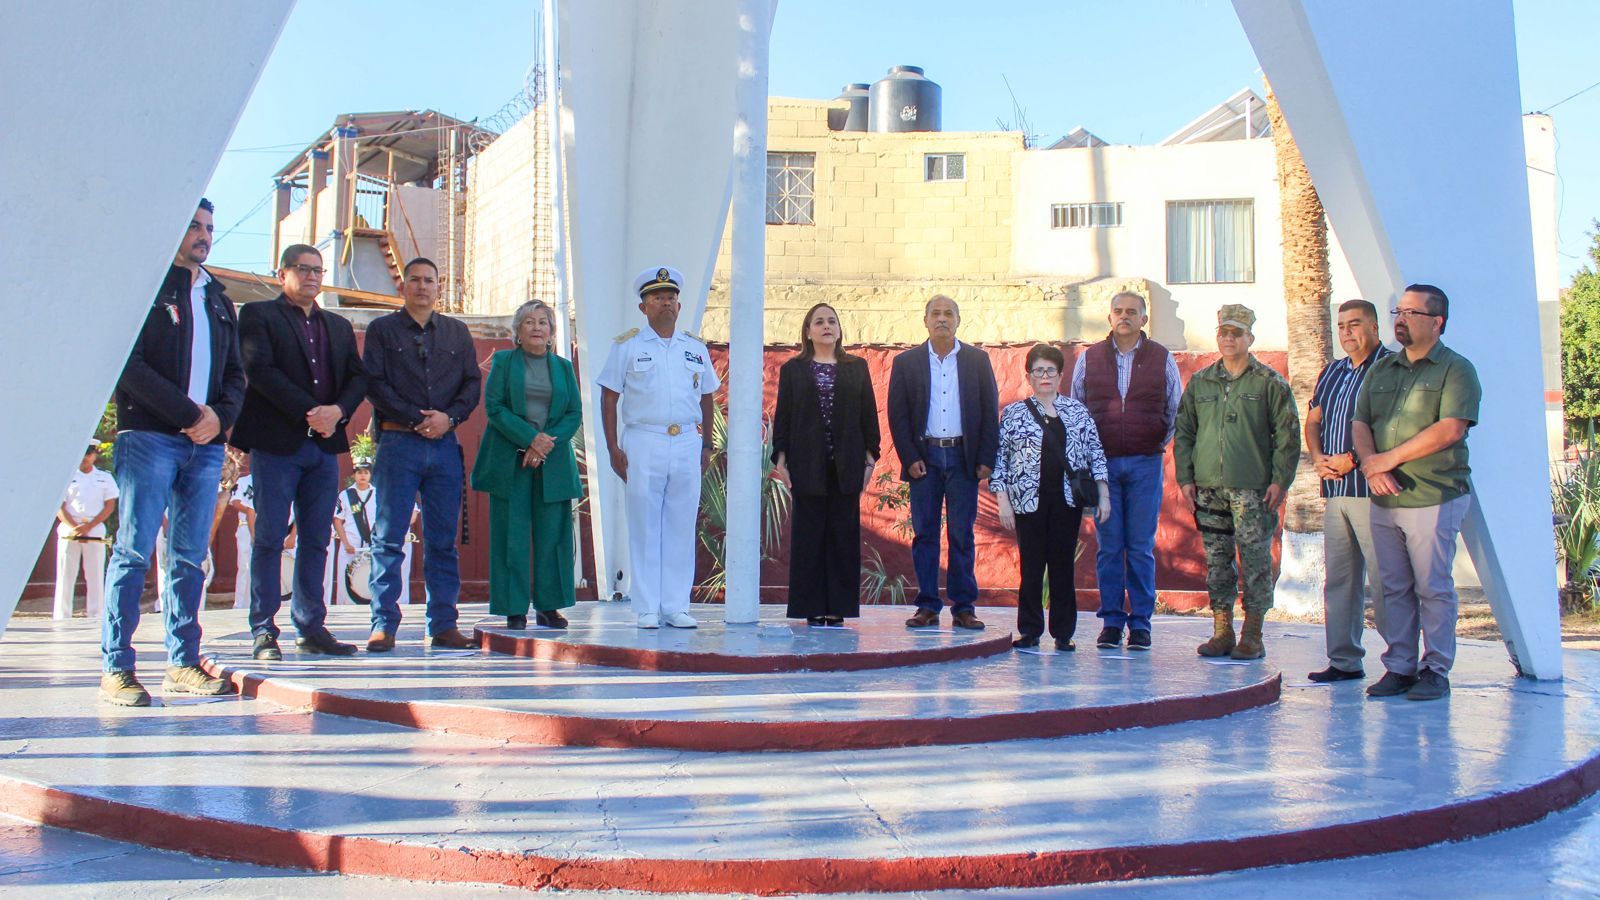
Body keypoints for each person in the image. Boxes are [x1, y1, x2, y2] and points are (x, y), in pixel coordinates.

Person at [100, 198, 245, 706]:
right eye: (193, 226)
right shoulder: (147, 287)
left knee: (189, 556)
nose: (203, 235)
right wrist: (190, 415)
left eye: (209, 226)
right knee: (134, 551)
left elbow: (235, 377)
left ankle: (182, 663)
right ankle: (117, 667)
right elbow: (129, 366)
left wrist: (219, 420)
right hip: (150, 439)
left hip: (204, 448)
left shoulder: (221, 300)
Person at [230, 244, 368, 660]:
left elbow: (358, 378)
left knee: (316, 539)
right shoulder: (258, 316)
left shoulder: (338, 326)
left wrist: (339, 411)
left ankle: (311, 628)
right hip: (277, 445)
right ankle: (263, 631)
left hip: (323, 449)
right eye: (303, 269)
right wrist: (312, 413)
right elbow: (260, 371)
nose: (311, 277)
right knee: (271, 537)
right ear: (282, 273)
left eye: (318, 270)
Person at [1353, 284, 1481, 702]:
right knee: (1393, 588)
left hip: (1434, 494)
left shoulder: (1455, 369)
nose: (1400, 319)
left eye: (1410, 312)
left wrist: (1385, 461)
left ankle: (1435, 669)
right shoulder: (1382, 369)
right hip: (1383, 496)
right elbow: (1361, 422)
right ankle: (1400, 667)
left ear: (1437, 322)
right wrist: (1373, 467)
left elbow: (1451, 429)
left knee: (1432, 587)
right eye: (1398, 311)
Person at [362, 257, 482, 651]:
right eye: (414, 279)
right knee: (389, 538)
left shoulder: (456, 332)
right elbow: (375, 385)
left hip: (444, 447)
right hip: (398, 444)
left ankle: (444, 624)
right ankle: (384, 624)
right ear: (404, 287)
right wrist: (417, 419)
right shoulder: (382, 330)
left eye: (429, 280)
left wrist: (449, 418)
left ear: (439, 287)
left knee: (442, 540)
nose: (422, 286)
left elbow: (470, 384)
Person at [1174, 304, 1299, 661]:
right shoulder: (1202, 381)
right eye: (1223, 333)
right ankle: (1222, 631)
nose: (1228, 339)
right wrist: (1186, 476)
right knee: (1217, 559)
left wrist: (1280, 480)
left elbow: (1287, 436)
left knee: (1255, 559)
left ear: (1250, 338)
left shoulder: (1269, 382)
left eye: (1236, 333)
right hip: (1209, 488)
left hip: (1253, 489)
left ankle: (1253, 634)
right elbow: (1185, 431)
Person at [598, 266, 720, 629]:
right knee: (645, 524)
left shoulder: (694, 348)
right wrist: (612, 448)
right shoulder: (628, 346)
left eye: (670, 298)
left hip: (685, 439)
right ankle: (647, 605)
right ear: (643, 307)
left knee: (681, 524)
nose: (665, 303)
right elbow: (609, 397)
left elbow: (707, 396)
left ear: (679, 307)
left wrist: (707, 444)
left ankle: (676, 605)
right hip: (643, 439)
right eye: (657, 298)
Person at [1070, 291, 1182, 651]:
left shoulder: (1161, 358)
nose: (1124, 317)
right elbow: (1077, 408)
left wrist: (1150, 442)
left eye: (1132, 312)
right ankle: (1112, 623)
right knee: (1108, 546)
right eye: (1118, 311)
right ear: (1109, 318)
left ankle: (1141, 624)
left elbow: (1175, 409)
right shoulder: (1091, 359)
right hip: (1102, 467)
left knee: (1140, 547)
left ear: (1144, 319)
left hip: (1145, 464)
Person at [886, 294, 999, 630]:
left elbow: (990, 413)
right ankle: (928, 606)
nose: (942, 319)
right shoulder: (907, 363)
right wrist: (910, 458)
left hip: (964, 458)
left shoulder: (977, 360)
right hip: (926, 458)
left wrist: (985, 459)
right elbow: (898, 415)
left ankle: (964, 607)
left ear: (958, 321)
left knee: (962, 533)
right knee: (925, 534)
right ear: (925, 321)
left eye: (948, 313)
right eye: (935, 314)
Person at [472, 300, 584, 629]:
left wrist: (545, 443)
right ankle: (514, 607)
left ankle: (549, 607)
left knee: (554, 535)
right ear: (518, 332)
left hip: (552, 462)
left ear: (551, 332)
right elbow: (494, 407)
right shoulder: (504, 362)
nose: (537, 328)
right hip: (511, 462)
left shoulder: (563, 367)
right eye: (529, 322)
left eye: (543, 322)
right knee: (512, 535)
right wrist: (529, 439)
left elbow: (573, 413)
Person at [993, 345, 1110, 650]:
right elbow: (1000, 460)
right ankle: (1030, 630)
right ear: (1028, 375)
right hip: (1027, 502)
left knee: (1061, 567)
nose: (1044, 376)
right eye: (1038, 370)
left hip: (1066, 503)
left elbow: (1095, 454)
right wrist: (1003, 500)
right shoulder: (1015, 414)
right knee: (1031, 566)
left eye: (1050, 371)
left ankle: (1063, 633)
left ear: (1061, 375)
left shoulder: (1077, 412)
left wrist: (1104, 495)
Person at [771, 303, 881, 625]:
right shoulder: (793, 370)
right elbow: (785, 418)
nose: (826, 326)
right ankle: (811, 607)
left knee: (842, 537)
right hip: (807, 465)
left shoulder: (856, 367)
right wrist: (781, 459)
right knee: (809, 538)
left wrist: (869, 461)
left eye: (832, 321)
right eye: (819, 322)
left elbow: (868, 418)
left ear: (839, 329)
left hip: (846, 465)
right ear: (808, 331)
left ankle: (839, 607)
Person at [1305, 299, 1393, 683]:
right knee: (1340, 579)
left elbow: (1394, 425)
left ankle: (1401, 662)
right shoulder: (1334, 371)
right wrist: (1317, 456)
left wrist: (1352, 459)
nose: (1346, 332)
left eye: (1355, 324)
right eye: (1341, 325)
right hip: (1334, 490)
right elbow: (1313, 419)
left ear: (1374, 327)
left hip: (1371, 490)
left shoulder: (1389, 367)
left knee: (1386, 579)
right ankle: (1344, 660)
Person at [54, 444, 118, 620]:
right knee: (66, 572)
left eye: (89, 453)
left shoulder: (104, 478)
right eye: (83, 453)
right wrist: (75, 526)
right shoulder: (67, 476)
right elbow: (59, 505)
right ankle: (62, 615)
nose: (85, 457)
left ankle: (96, 615)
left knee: (95, 573)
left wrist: (88, 527)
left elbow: (110, 505)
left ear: (95, 455)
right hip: (70, 526)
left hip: (94, 526)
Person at [229, 463, 254, 609]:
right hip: (245, 525)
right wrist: (254, 511)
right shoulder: (244, 481)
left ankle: (253, 602)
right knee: (244, 565)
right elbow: (235, 502)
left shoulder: (269, 480)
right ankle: (240, 604)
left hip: (262, 526)